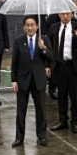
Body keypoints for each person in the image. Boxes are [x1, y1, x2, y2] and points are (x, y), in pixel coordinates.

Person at [11, 16, 53, 147]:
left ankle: (41, 136)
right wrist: (14, 81)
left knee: (40, 109)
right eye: (27, 25)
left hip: (38, 79)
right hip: (23, 80)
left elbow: (51, 57)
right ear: (24, 27)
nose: (30, 27)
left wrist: (44, 48)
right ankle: (19, 138)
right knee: (21, 111)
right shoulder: (18, 41)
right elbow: (15, 63)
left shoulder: (43, 39)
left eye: (32, 25)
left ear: (37, 26)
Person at [48, 11, 77, 133]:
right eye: (63, 14)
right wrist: (48, 65)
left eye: (68, 14)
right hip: (59, 65)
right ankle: (62, 120)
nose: (65, 16)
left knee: (75, 96)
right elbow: (50, 47)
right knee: (61, 95)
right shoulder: (54, 28)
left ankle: (75, 122)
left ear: (71, 14)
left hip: (73, 65)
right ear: (59, 14)